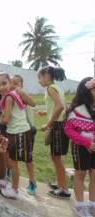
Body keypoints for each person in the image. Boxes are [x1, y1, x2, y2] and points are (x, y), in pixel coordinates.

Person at [0, 73, 36, 199]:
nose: (1, 87)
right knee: (12, 159)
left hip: (19, 133)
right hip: (17, 132)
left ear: (10, 83)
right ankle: (11, 183)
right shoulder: (12, 95)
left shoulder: (8, 98)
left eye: (4, 83)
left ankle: (14, 189)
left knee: (13, 162)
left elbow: (6, 119)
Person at [37, 66, 71, 199]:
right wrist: (45, 112)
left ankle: (64, 189)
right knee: (55, 157)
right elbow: (61, 107)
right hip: (60, 125)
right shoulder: (56, 88)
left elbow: (61, 106)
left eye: (39, 77)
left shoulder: (51, 88)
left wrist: (49, 123)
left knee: (56, 158)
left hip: (57, 126)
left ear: (46, 75)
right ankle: (60, 183)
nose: (39, 81)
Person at [64, 77, 95, 217]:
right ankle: (81, 205)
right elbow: (69, 130)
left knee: (94, 175)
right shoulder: (77, 110)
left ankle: (92, 204)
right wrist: (86, 142)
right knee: (80, 174)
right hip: (81, 146)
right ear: (86, 91)